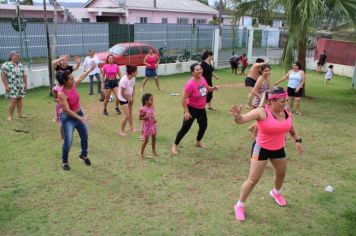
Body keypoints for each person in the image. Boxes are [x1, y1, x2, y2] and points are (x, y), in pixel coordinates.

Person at [229, 87, 304, 222]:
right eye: (282, 101)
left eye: (285, 100)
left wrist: (297, 139)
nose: (285, 103)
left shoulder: (286, 111)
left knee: (281, 173)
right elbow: (242, 120)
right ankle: (239, 205)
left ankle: (276, 192)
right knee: (253, 180)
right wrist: (237, 116)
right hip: (261, 148)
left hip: (278, 148)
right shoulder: (262, 112)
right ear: (272, 101)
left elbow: (290, 127)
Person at [171, 63, 219, 155]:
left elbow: (207, 88)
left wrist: (213, 88)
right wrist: (186, 112)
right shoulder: (190, 84)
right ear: (192, 72)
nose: (200, 71)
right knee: (185, 128)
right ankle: (175, 145)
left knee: (203, 125)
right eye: (197, 70)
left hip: (201, 109)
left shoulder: (203, 79)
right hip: (191, 109)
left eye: (200, 69)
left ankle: (198, 142)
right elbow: (183, 98)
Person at [56, 63, 96, 171]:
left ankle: (84, 155)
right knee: (68, 141)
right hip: (68, 119)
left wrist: (90, 69)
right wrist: (81, 118)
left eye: (73, 79)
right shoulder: (61, 93)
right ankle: (64, 162)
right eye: (71, 79)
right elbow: (67, 111)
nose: (73, 80)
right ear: (65, 81)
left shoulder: (73, 85)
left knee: (85, 136)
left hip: (79, 114)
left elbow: (81, 77)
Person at [1, 51, 28, 121]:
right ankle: (9, 116)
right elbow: (3, 76)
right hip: (11, 86)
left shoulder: (20, 65)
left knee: (19, 99)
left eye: (18, 56)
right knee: (13, 101)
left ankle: (20, 115)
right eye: (15, 56)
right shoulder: (6, 65)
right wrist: (6, 86)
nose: (17, 57)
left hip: (20, 85)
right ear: (11, 56)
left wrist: (25, 85)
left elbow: (24, 76)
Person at [118, 65, 138, 136]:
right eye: (136, 71)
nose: (137, 72)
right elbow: (122, 93)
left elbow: (133, 88)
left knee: (130, 113)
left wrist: (132, 97)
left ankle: (132, 128)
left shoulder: (133, 78)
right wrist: (128, 99)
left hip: (129, 97)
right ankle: (121, 131)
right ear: (132, 72)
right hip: (123, 98)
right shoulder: (124, 80)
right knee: (127, 115)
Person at [139, 93, 158, 159]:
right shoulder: (142, 109)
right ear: (146, 101)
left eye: (153, 99)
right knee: (146, 141)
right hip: (147, 127)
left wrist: (154, 119)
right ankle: (141, 153)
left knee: (154, 138)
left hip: (153, 125)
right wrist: (145, 117)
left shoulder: (152, 107)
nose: (152, 101)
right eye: (151, 100)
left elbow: (152, 115)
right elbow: (140, 118)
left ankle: (153, 151)